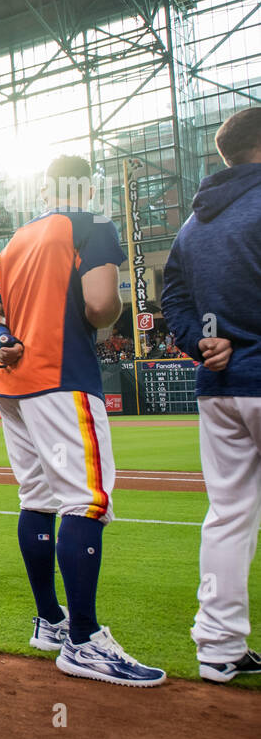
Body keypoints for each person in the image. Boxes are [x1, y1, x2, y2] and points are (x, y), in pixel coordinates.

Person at [0, 154, 164, 686]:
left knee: (36, 498)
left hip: (13, 383)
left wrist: (2, 340)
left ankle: (49, 621)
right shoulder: (93, 224)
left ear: (43, 190)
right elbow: (102, 303)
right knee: (86, 500)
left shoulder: (15, 240)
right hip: (62, 377)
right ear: (89, 186)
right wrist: (103, 315)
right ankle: (83, 639)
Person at [160, 107, 261, 683]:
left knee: (227, 517)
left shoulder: (192, 226)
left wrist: (201, 343)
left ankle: (218, 647)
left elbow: (170, 299)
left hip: (219, 387)